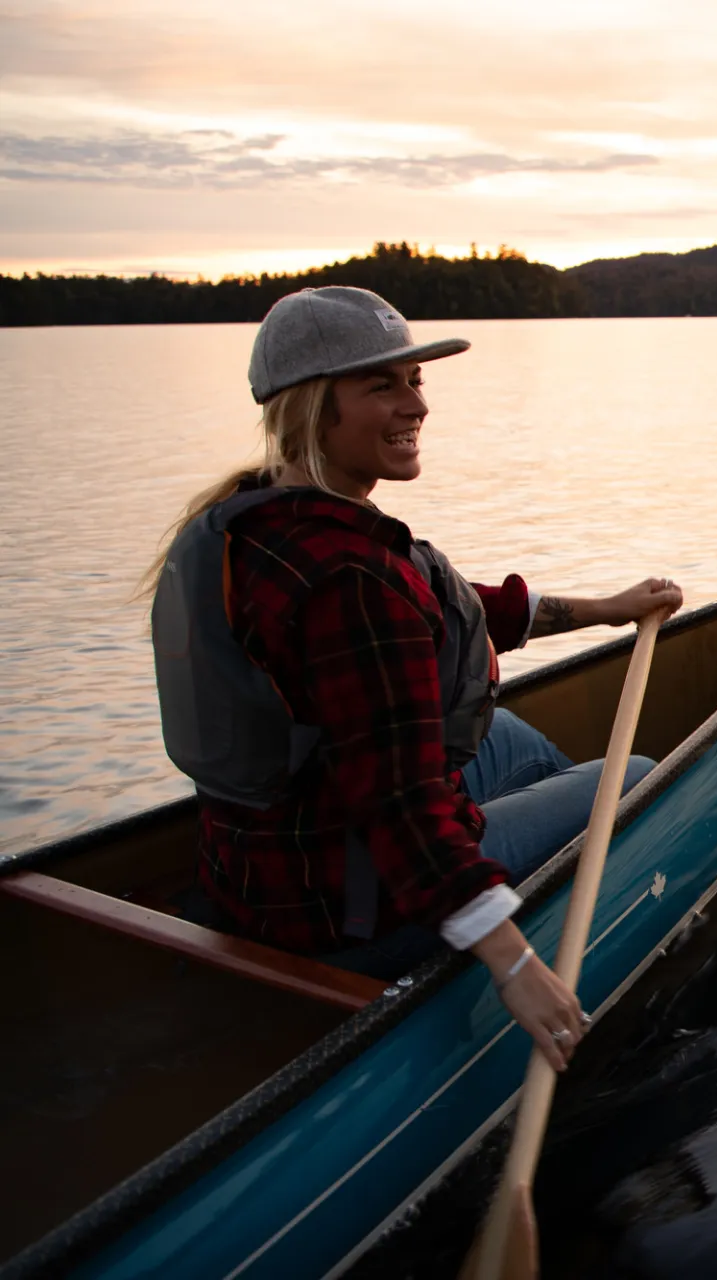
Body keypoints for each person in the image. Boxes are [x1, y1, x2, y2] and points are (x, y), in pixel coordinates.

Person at [147, 285, 682, 1071]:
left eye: (416, 381)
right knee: (630, 777)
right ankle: (520, 921)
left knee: (506, 734)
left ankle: (511, 877)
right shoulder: (351, 580)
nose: (415, 406)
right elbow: (399, 805)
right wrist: (514, 966)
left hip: (257, 875)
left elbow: (450, 610)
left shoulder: (251, 519)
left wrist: (607, 608)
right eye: (382, 385)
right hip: (353, 909)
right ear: (313, 406)